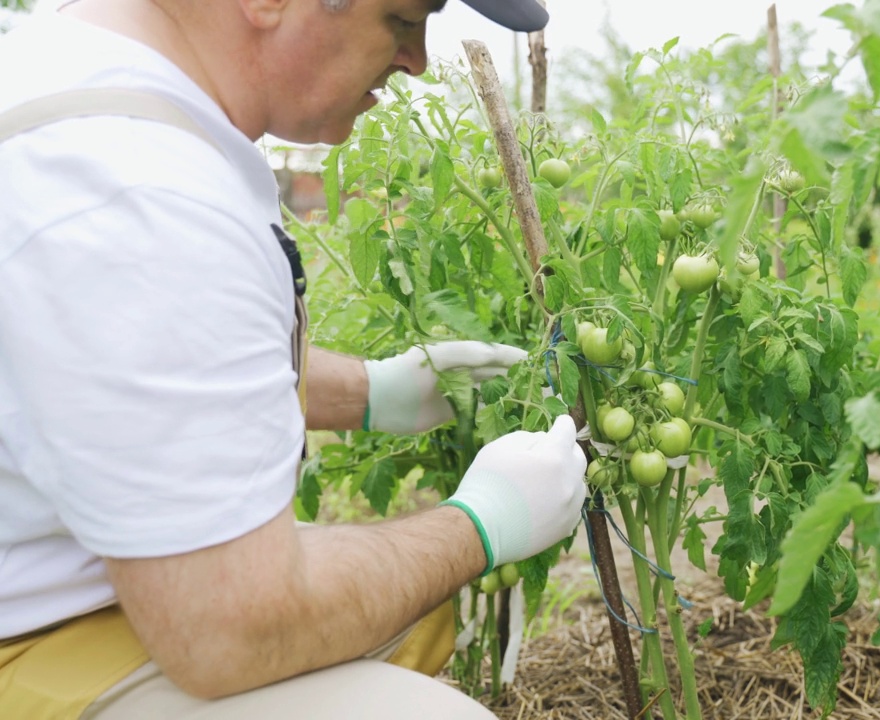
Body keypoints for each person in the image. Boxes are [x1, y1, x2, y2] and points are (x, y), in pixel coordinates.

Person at [0, 0, 586, 717]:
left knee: (410, 610)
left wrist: (372, 391)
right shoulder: (134, 190)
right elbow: (231, 630)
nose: (418, 60)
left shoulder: (125, 85)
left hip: (71, 583)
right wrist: (482, 522)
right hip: (36, 643)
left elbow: (137, 375)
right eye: (402, 19)